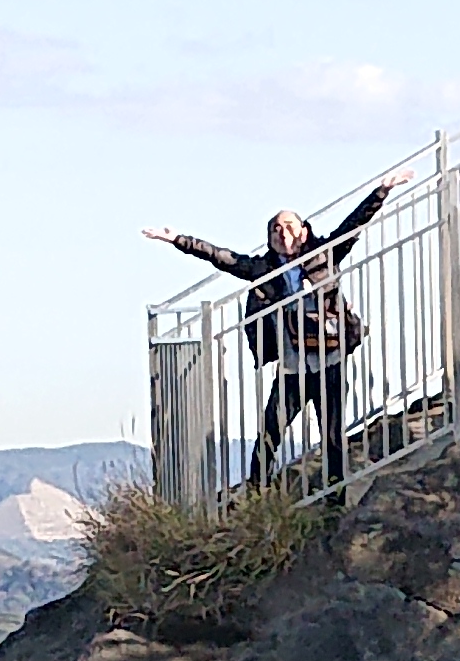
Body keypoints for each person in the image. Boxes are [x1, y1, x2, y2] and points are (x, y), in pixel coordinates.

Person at [148, 175, 400, 488]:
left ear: (304, 231)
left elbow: (354, 225)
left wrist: (382, 192)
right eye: (276, 229)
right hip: (293, 365)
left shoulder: (324, 254)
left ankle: (336, 496)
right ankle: (256, 491)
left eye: (290, 226)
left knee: (333, 435)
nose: (283, 233)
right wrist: (178, 239)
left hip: (329, 362)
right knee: (271, 432)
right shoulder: (263, 269)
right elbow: (222, 257)